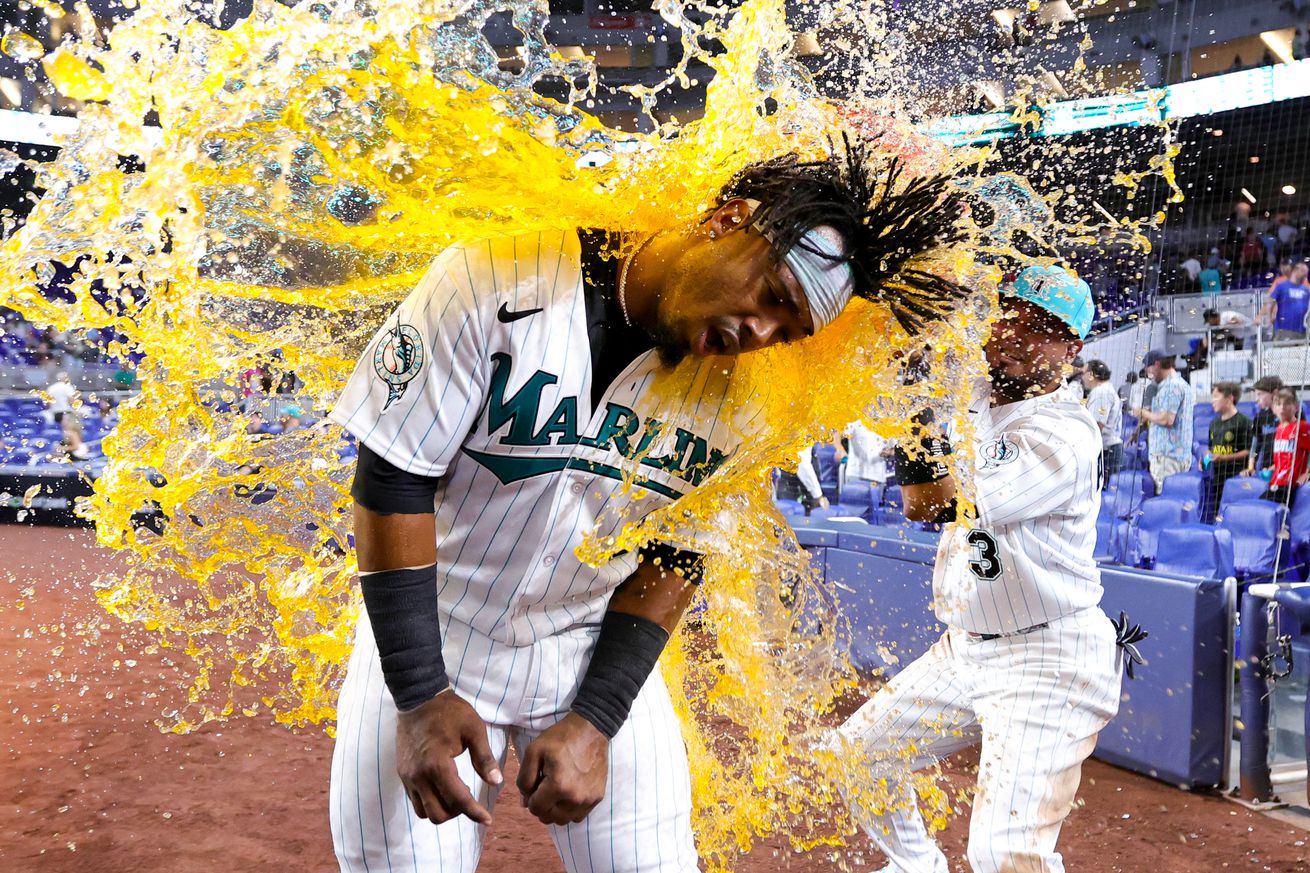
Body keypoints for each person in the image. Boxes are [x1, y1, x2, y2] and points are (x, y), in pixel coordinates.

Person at [325, 143, 970, 872]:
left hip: (587, 641)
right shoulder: (494, 273)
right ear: (729, 220)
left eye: (787, 331)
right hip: (432, 631)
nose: (761, 332)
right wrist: (417, 694)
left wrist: (596, 720)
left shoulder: (745, 397)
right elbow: (393, 478)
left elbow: (677, 554)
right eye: (773, 295)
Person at [837, 265, 1128, 873]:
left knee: (1003, 855)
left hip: (1048, 658)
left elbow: (931, 503)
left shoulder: (1064, 431)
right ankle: (918, 866)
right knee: (857, 757)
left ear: (1073, 350)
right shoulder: (977, 394)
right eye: (1011, 316)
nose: (1021, 334)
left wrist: (918, 398)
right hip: (966, 650)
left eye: (1044, 329)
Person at [1133, 350, 1195, 493]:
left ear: (1156, 364)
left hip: (1168, 457)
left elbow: (1167, 419)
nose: (1149, 373)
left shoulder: (1170, 386)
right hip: (1175, 455)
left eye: (1148, 368)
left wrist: (1142, 412)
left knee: (1166, 498)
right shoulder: (1180, 383)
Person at [1204, 382, 1251, 518]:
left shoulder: (1244, 422)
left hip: (1236, 477)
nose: (1212, 401)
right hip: (1217, 478)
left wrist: (1224, 458)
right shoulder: (1214, 423)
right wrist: (1207, 457)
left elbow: (1249, 451)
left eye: (1216, 396)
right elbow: (1211, 448)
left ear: (1229, 398)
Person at [1261, 388, 1310, 505]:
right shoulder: (1279, 429)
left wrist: (1308, 472)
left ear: (1296, 407)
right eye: (1278, 404)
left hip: (1288, 486)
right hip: (1275, 482)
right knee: (1256, 507)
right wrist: (1272, 468)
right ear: (1273, 408)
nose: (1282, 407)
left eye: (1287, 404)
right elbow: (1286, 457)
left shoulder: (1301, 427)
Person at [1082, 359, 1122, 486]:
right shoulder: (1106, 389)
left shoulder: (1101, 392)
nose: (1082, 377)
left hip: (1106, 451)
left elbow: (1096, 426)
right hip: (1110, 448)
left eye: (1083, 373)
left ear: (1091, 374)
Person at [1243, 375, 1285, 479]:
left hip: (1285, 470)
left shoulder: (1292, 414)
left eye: (1260, 394)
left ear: (1274, 393)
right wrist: (1250, 467)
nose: (1256, 399)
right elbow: (1255, 445)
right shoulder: (1260, 416)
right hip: (1266, 471)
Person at [1263, 261, 1310, 341]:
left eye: (1306, 274)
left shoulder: (1306, 290)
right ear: (1295, 270)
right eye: (1303, 272)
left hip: (1302, 331)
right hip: (1284, 330)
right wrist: (1268, 319)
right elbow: (1270, 303)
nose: (1305, 276)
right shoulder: (1282, 286)